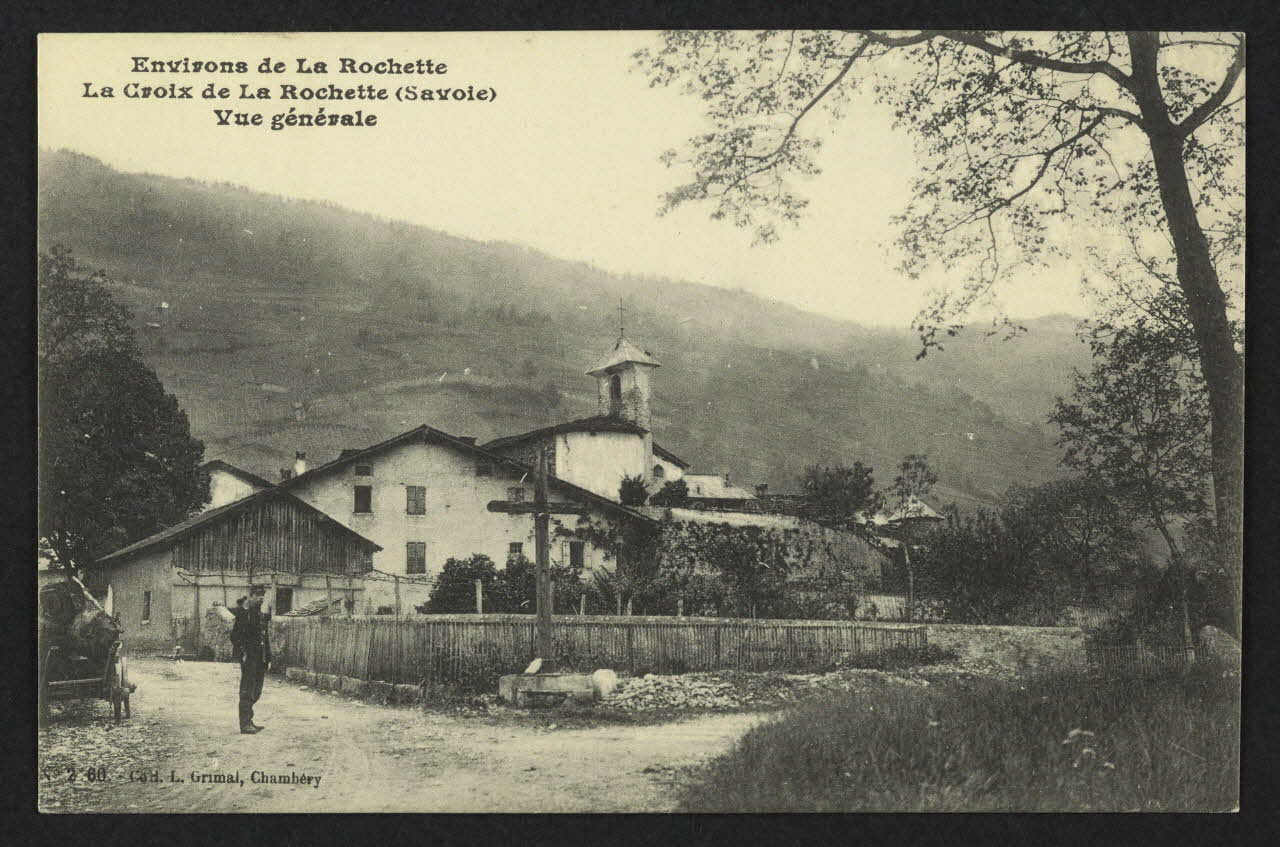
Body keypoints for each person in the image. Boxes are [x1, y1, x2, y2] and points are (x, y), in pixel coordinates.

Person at [230, 585, 272, 734]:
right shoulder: (244, 614)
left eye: (263, 596)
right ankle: (245, 724)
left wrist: (268, 657)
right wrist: (243, 652)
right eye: (258, 595)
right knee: (247, 690)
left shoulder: (259, 615)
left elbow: (264, 638)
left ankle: (249, 719)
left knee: (256, 690)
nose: (261, 598)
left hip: (260, 658)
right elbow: (235, 636)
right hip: (249, 658)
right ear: (251, 596)